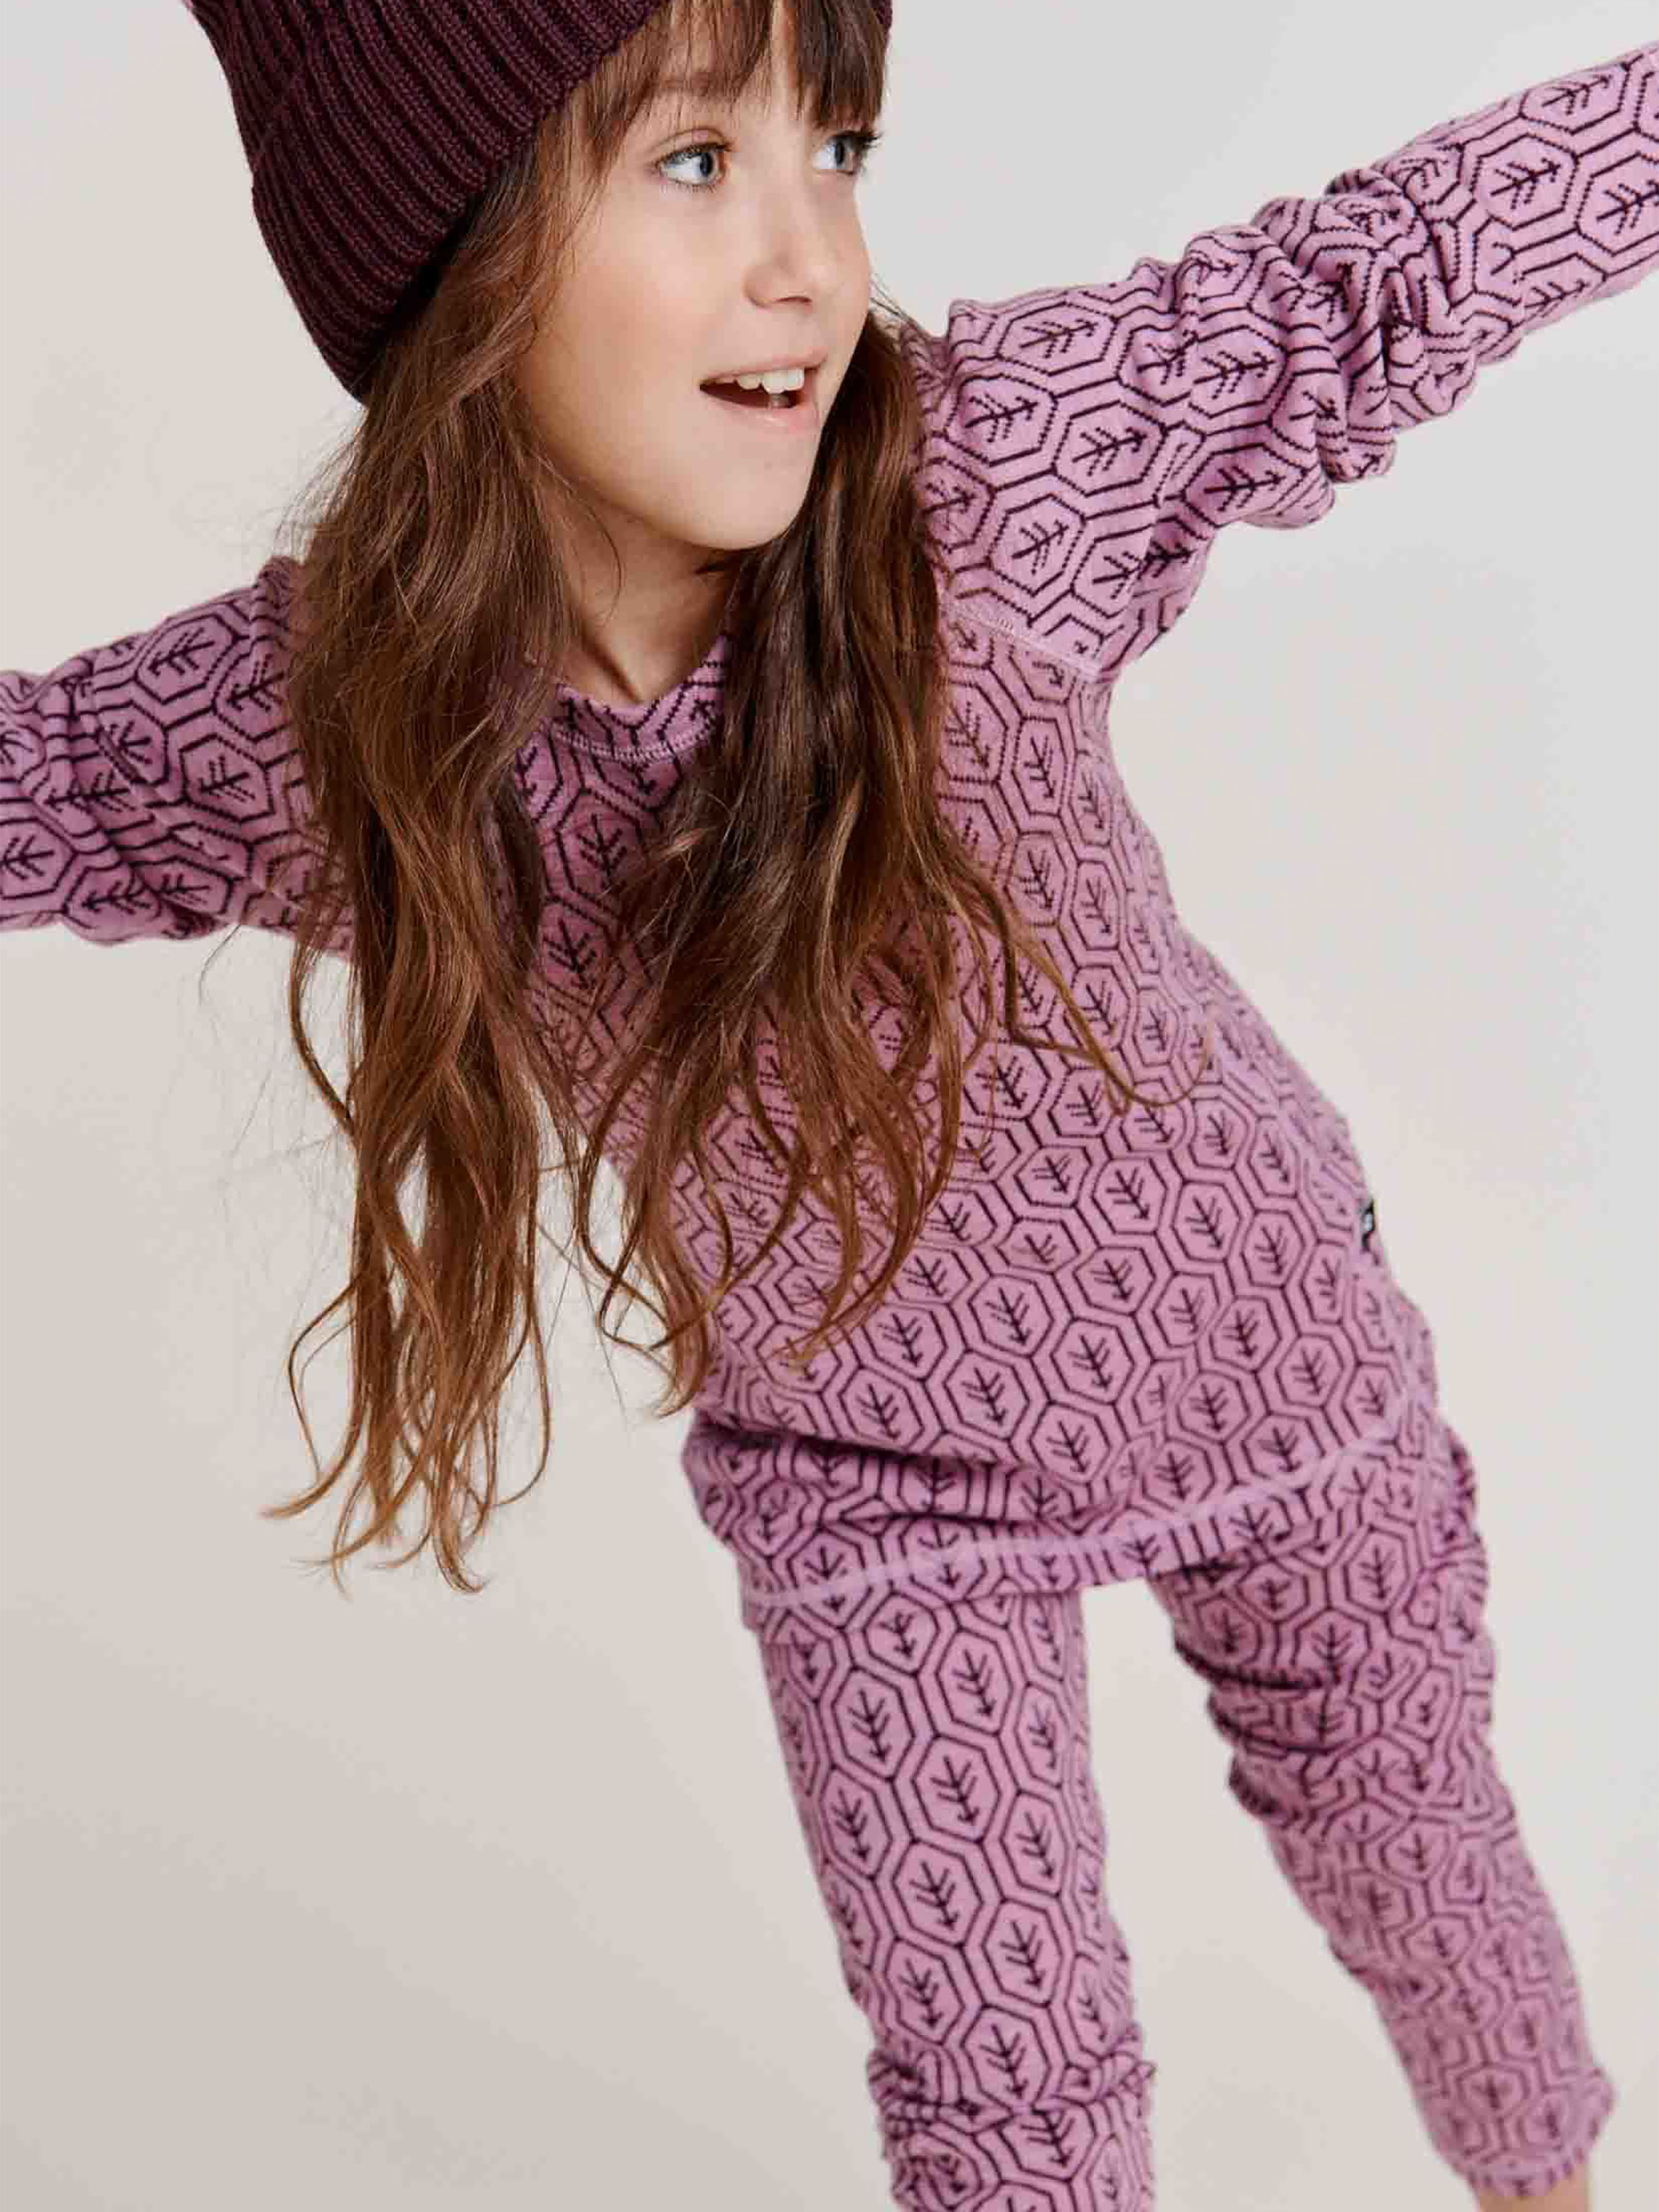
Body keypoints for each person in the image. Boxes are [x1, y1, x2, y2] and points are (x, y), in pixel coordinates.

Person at [2, 3, 1651, 2205]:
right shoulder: (356, 724)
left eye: (837, 147)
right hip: (876, 1485)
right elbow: (39, 782)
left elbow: (1378, 268)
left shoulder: (994, 483)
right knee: (1005, 2102)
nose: (810, 262)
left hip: (1267, 1352)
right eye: (696, 164)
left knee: (1416, 1845)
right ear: (451, 264)